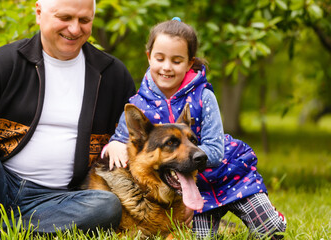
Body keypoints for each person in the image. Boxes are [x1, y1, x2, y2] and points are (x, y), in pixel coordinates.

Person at [103, 19, 287, 239]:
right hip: (193, 186)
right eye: (160, 58)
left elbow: (215, 150)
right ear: (149, 57)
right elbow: (124, 136)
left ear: (189, 63)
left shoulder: (203, 97)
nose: (167, 67)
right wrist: (114, 143)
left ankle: (269, 218)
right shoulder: (139, 103)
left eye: (177, 60)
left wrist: (192, 162)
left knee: (271, 232)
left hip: (227, 175)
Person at [0, 0, 136, 237]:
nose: (75, 29)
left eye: (84, 20)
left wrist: (120, 140)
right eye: (65, 18)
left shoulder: (113, 75)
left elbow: (139, 137)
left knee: (107, 206)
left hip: (58, 200)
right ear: (39, 13)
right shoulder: (4, 62)